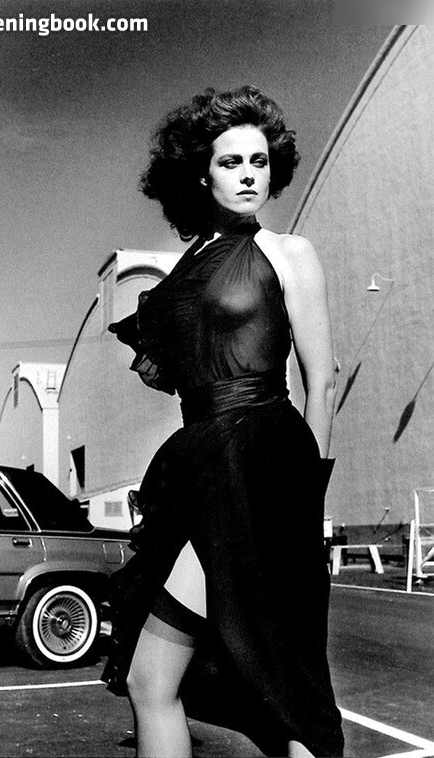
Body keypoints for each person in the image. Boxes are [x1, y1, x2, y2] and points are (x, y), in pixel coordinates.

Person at [103, 85, 344, 758]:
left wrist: (305, 498)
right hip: (201, 470)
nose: (247, 175)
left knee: (279, 681)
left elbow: (322, 382)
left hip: (264, 467)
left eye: (259, 161)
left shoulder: (289, 252)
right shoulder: (189, 264)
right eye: (231, 161)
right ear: (200, 174)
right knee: (154, 680)